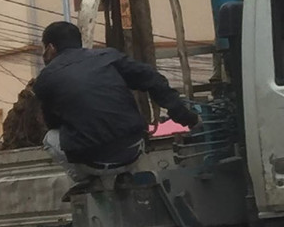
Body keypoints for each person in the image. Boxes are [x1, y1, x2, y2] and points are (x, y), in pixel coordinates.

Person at [33, 21, 201, 182]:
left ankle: (84, 180)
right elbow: (152, 79)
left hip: (92, 163)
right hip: (134, 151)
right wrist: (186, 117)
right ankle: (126, 173)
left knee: (50, 138)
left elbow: (53, 123)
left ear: (50, 48)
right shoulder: (108, 56)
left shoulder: (45, 79)